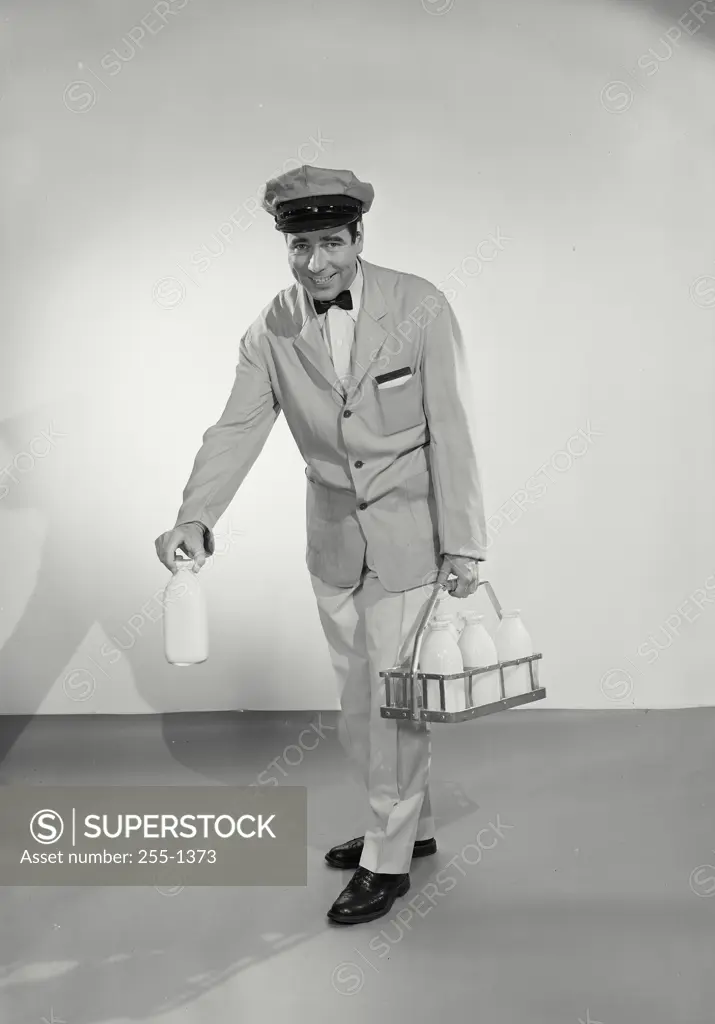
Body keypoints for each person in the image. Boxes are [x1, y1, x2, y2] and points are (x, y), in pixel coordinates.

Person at [154, 164, 487, 924]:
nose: (316, 263)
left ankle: (387, 860)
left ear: (358, 236)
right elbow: (235, 429)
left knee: (390, 706)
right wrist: (194, 516)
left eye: (330, 242)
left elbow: (454, 429)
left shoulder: (421, 304)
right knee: (355, 702)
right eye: (300, 247)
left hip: (411, 539)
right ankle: (411, 828)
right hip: (333, 541)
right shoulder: (270, 328)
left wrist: (465, 542)